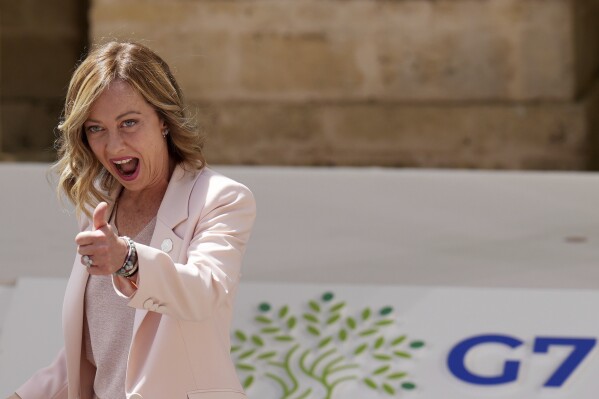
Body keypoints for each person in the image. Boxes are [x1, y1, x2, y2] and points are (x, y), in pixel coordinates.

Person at [8, 42, 256, 399]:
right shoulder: (98, 209)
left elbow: (204, 291)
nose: (114, 146)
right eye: (96, 129)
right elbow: (97, 353)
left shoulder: (221, 198)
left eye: (129, 123)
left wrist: (127, 260)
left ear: (164, 121)